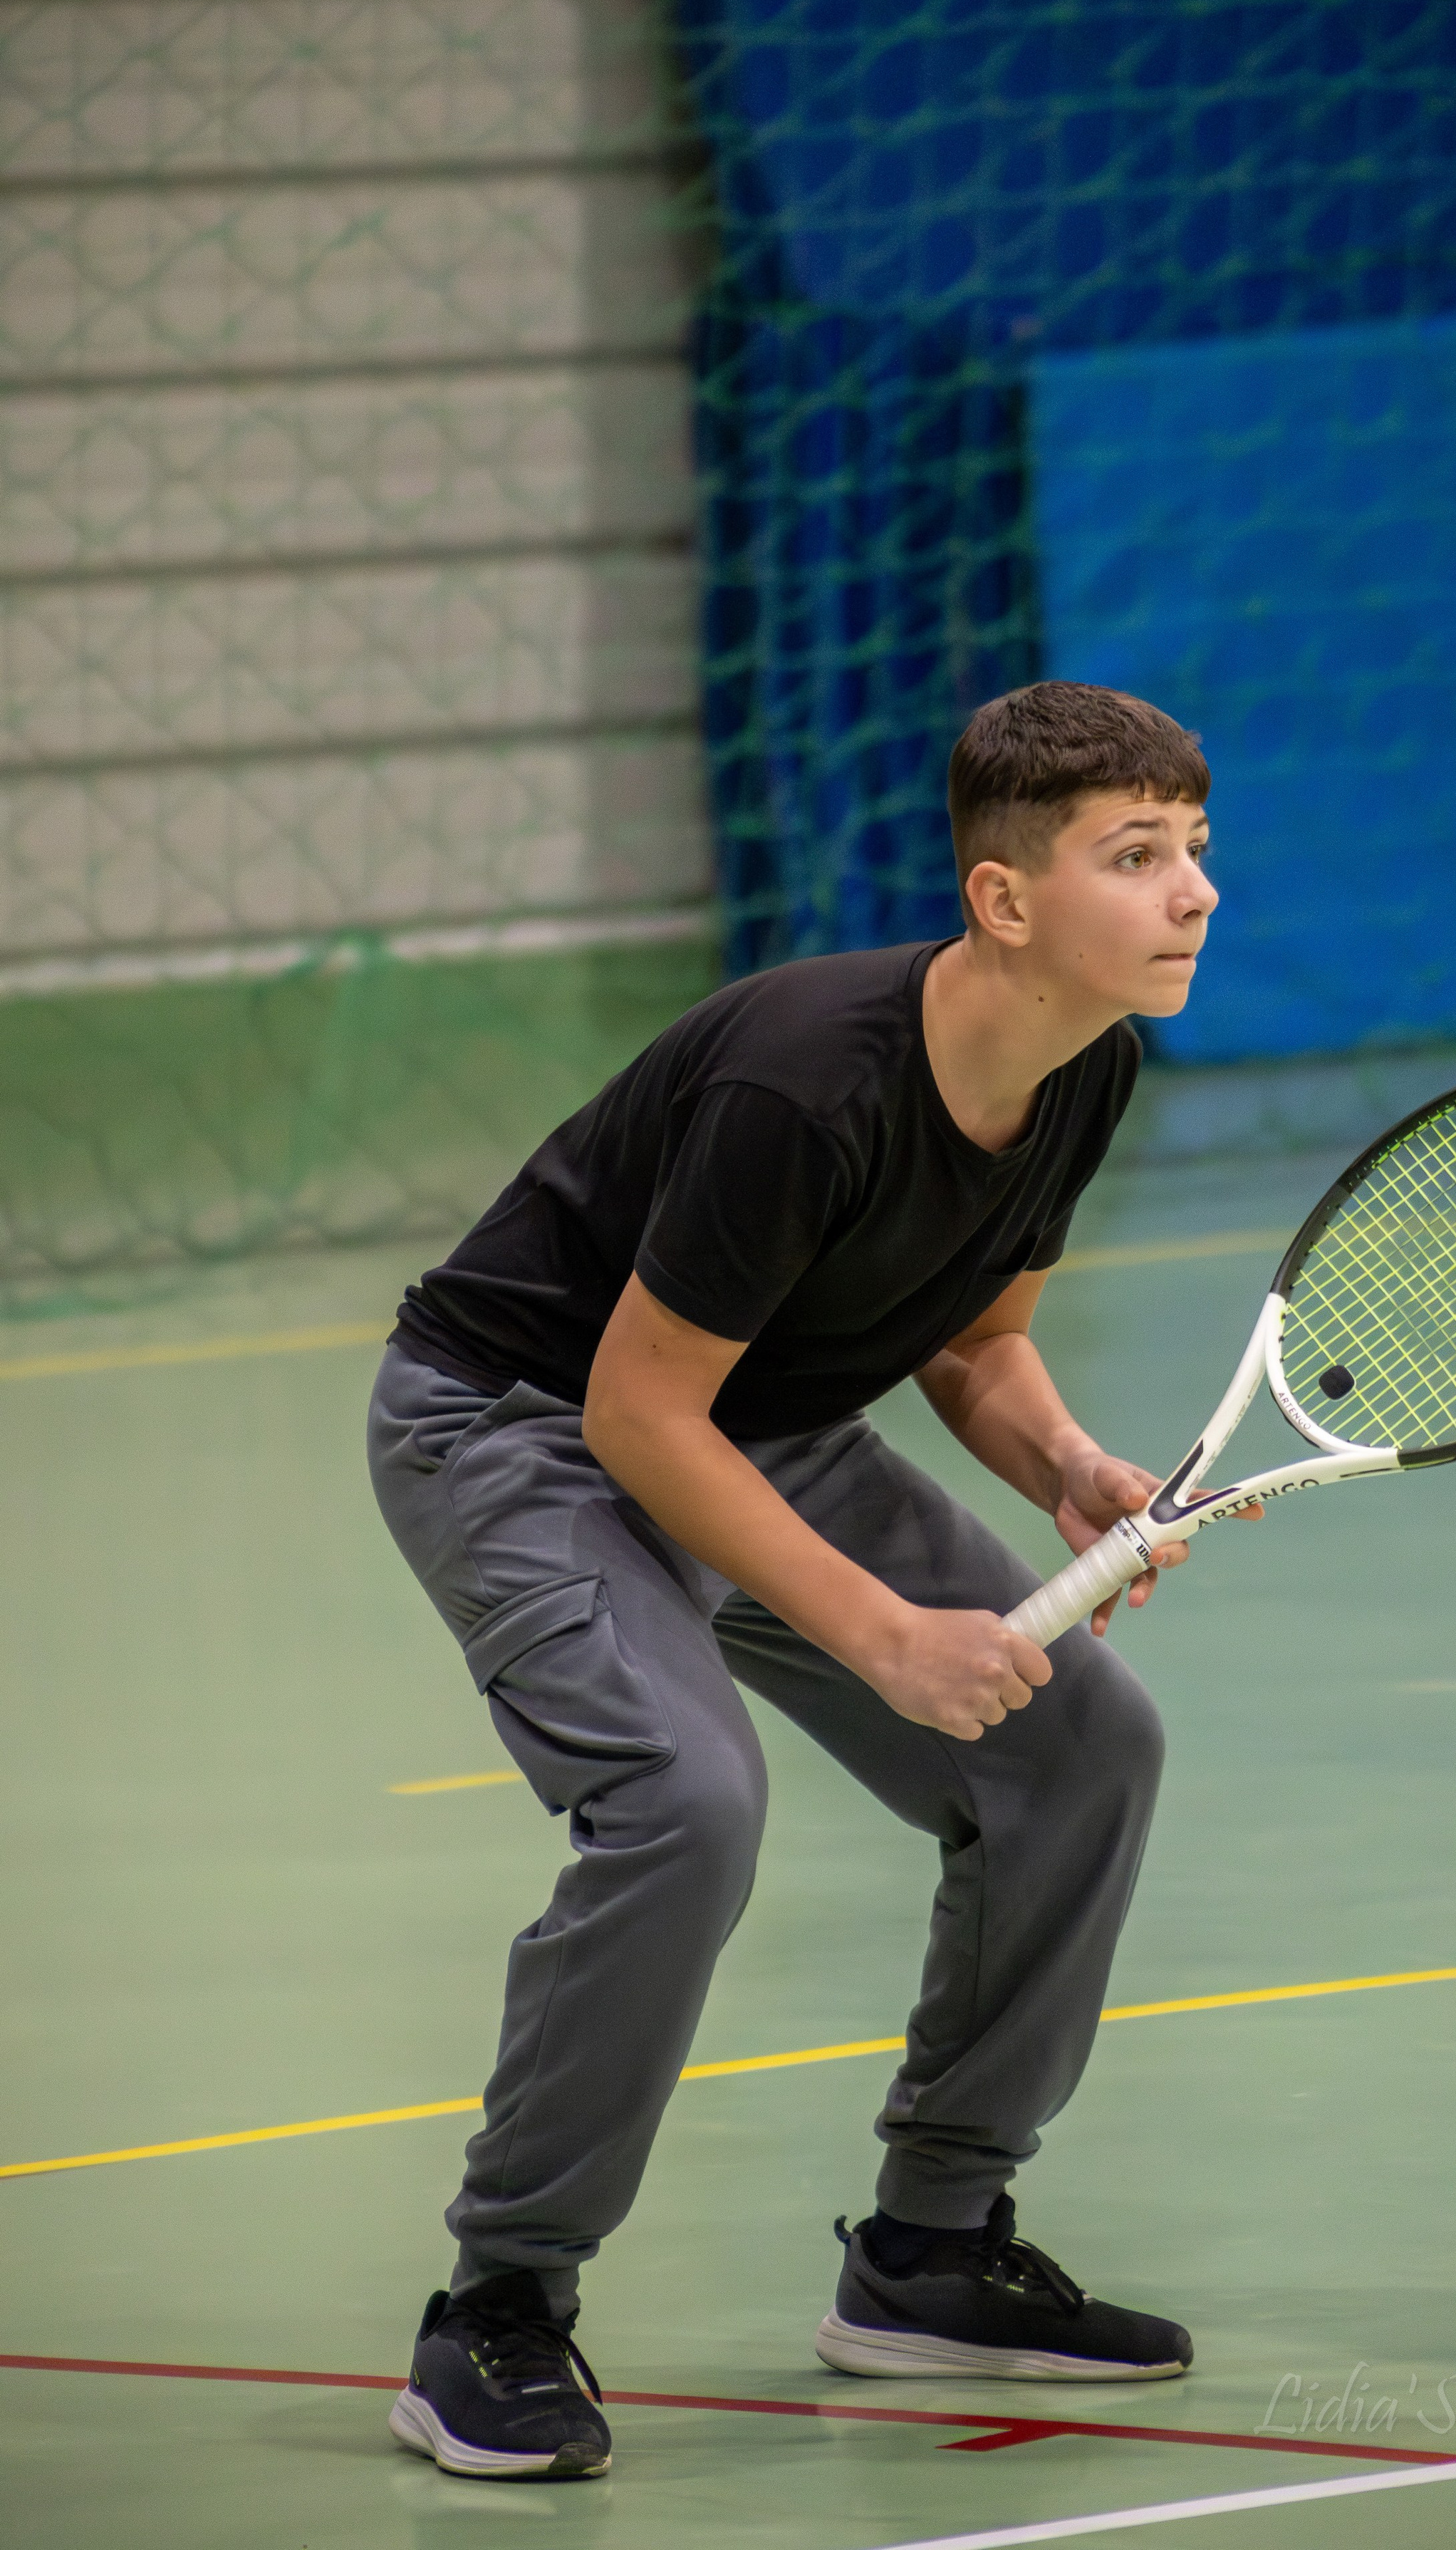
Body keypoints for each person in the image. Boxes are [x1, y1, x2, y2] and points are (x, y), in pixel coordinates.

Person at [368, 679, 1241, 2483]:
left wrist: (1061, 1459)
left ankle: (927, 2252)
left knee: (1081, 1752)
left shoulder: (1084, 1068)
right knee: (683, 1803)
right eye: (1135, 856)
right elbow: (637, 1409)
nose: (1192, 896)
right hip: (526, 1428)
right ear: (1003, 903)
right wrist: (881, 1635)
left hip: (756, 1426)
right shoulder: (806, 1082)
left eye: (1196, 853)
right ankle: (497, 2311)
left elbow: (976, 1339)